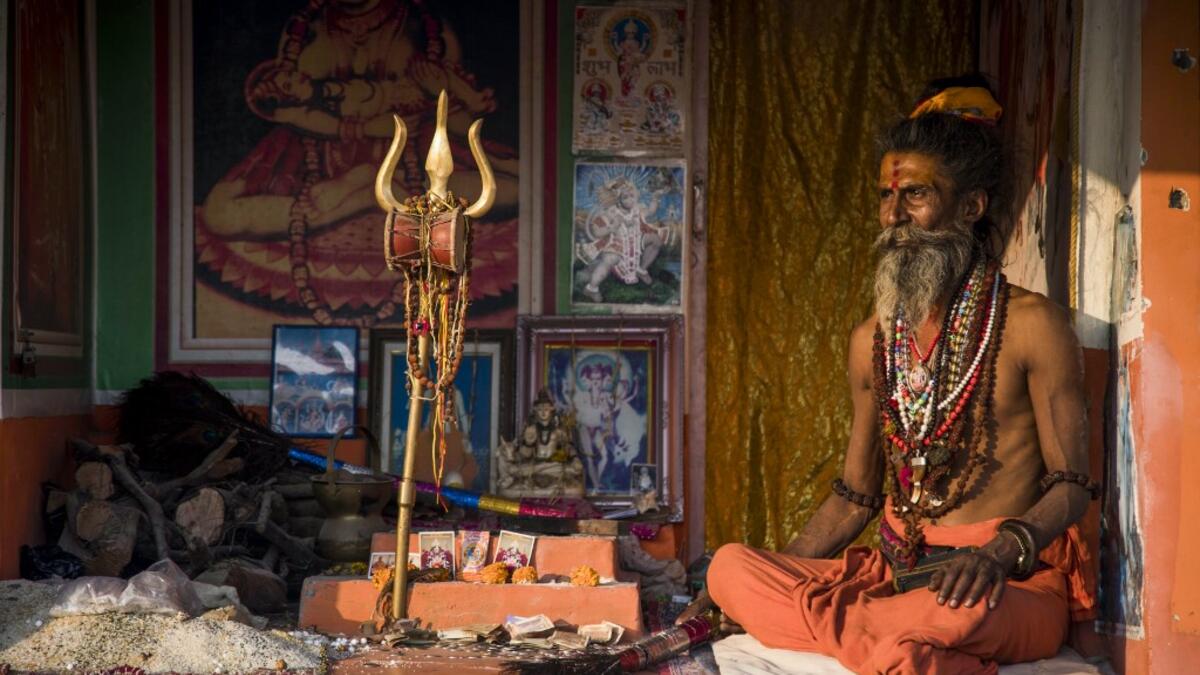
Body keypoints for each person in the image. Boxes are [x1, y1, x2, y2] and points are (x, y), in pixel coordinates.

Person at [677, 76, 1098, 674]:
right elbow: (857, 497)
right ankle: (900, 648)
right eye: (884, 197)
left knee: (959, 616)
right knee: (729, 568)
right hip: (893, 576)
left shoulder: (1033, 325)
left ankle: (887, 640)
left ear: (971, 207)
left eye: (916, 196)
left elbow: (1071, 483)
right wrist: (768, 574)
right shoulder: (872, 339)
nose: (892, 215)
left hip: (1000, 585)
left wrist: (999, 556)